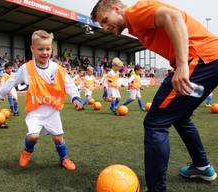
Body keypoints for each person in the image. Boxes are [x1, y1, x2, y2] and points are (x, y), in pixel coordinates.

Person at [91, 0, 218, 191]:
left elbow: (172, 17)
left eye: (106, 20)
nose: (106, 27)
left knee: (155, 123)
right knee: (180, 117)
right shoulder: (135, 25)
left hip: (199, 59)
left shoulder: (134, 12)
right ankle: (202, 166)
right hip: (208, 59)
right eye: (102, 25)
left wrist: (182, 65)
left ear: (117, 9)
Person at [0, 30, 83, 171]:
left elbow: (69, 84)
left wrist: (75, 98)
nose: (45, 52)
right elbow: (11, 82)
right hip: (35, 110)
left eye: (48, 49)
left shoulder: (57, 69)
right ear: (32, 49)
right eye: (40, 49)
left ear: (51, 49)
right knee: (33, 136)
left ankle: (64, 159)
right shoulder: (26, 68)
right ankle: (27, 152)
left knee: (58, 138)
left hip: (52, 111)